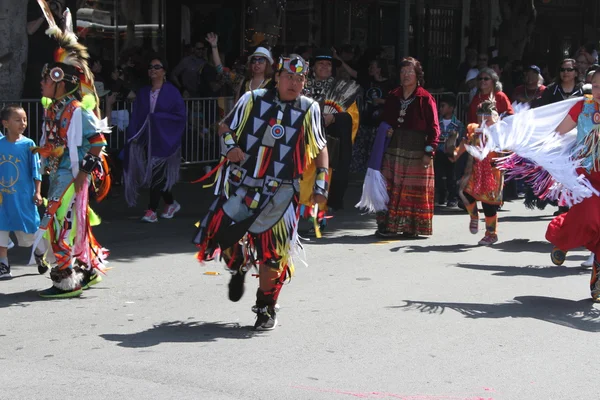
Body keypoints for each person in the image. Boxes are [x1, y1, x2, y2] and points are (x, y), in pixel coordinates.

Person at [193, 55, 328, 330]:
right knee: (225, 239)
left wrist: (321, 185)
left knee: (273, 255)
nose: (294, 83)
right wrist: (230, 147)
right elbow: (224, 127)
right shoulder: (252, 99)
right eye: (289, 77)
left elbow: (320, 146)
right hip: (242, 185)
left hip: (280, 193)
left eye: (300, 79)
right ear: (276, 77)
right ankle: (238, 264)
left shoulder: (309, 108)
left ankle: (266, 308)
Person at [466, 70, 600, 300]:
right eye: (596, 85)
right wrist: (534, 148)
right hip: (586, 177)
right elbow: (557, 134)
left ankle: (597, 274)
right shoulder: (582, 107)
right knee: (589, 218)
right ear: (590, 86)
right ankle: (560, 237)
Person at [33, 6, 111, 298]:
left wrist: (82, 175)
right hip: (58, 175)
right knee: (67, 225)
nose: (41, 83)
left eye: (45, 79)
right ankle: (85, 270)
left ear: (59, 79)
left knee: (54, 224)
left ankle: (66, 278)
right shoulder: (52, 108)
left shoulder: (77, 111)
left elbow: (98, 142)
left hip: (72, 176)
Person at [357, 57, 440, 238]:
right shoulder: (394, 96)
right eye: (403, 72)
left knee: (412, 189)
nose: (406, 75)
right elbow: (386, 119)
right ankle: (387, 225)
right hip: (394, 149)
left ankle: (412, 227)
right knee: (388, 187)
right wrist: (386, 129)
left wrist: (429, 152)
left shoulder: (425, 98)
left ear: (417, 75)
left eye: (410, 72)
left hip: (417, 151)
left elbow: (434, 128)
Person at [124, 57, 186, 223]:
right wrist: (134, 134)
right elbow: (137, 115)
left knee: (156, 173)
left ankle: (151, 210)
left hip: (165, 139)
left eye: (157, 67)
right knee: (157, 175)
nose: (153, 70)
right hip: (147, 139)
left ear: (164, 71)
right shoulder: (144, 92)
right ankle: (171, 203)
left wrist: (157, 118)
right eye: (151, 67)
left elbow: (180, 116)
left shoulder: (172, 92)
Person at [303, 48, 361, 213]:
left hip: (331, 143)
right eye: (320, 63)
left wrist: (335, 118)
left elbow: (353, 118)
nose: (324, 67)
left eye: (328, 64)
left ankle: (323, 210)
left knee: (327, 173)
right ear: (313, 67)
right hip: (305, 140)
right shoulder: (302, 85)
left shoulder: (342, 89)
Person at [0, 105, 48, 280]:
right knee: (1, 230)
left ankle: (40, 254)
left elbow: (36, 171)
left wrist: (37, 192)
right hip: (2, 199)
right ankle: (3, 264)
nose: (23, 123)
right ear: (6, 123)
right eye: (18, 120)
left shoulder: (29, 144)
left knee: (30, 232)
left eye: (25, 119)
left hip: (23, 198)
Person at [451, 101, 503, 245]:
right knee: (464, 192)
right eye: (480, 119)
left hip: (493, 173)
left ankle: (491, 234)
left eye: (487, 120)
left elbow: (508, 151)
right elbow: (463, 147)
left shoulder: (500, 132)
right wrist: (454, 152)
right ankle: (474, 216)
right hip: (475, 170)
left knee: (489, 205)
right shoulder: (473, 131)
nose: (483, 123)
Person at [350, 58, 393, 174]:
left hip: (379, 123)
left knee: (375, 151)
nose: (370, 69)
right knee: (361, 149)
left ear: (379, 69)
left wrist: (380, 101)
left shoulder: (390, 84)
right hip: (365, 121)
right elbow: (354, 73)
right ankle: (359, 174)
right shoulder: (368, 81)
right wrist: (338, 58)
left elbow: (395, 102)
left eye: (373, 66)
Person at [435, 94, 465, 208]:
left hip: (452, 154)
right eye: (440, 106)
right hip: (439, 152)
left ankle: (452, 198)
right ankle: (441, 196)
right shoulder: (437, 122)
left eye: (443, 106)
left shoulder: (458, 124)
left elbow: (461, 139)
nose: (440, 109)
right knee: (438, 175)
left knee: (451, 176)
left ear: (451, 108)